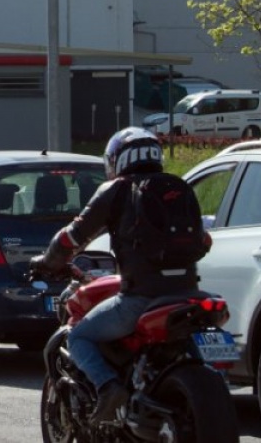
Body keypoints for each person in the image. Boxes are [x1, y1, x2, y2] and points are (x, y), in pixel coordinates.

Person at [31, 127, 209, 423]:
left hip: (140, 299)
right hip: (190, 294)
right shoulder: (179, 188)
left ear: (116, 159)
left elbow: (71, 237)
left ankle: (108, 387)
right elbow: (203, 242)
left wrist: (48, 261)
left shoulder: (116, 190)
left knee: (79, 337)